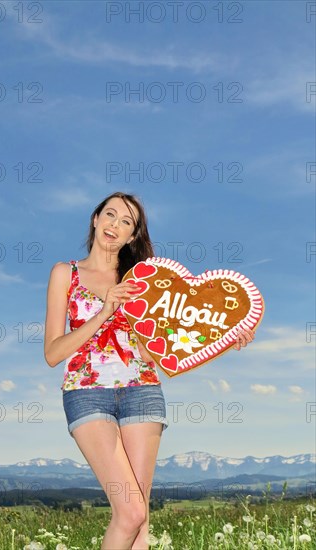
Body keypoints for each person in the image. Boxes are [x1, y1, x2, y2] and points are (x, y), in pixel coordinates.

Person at [44, 191, 254, 550]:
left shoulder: (145, 281)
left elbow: (160, 349)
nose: (115, 225)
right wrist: (104, 311)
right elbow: (53, 352)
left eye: (126, 222)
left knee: (141, 520)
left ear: (132, 236)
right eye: (110, 215)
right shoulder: (66, 273)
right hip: (86, 393)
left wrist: (224, 334)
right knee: (128, 512)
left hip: (142, 390)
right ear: (95, 219)